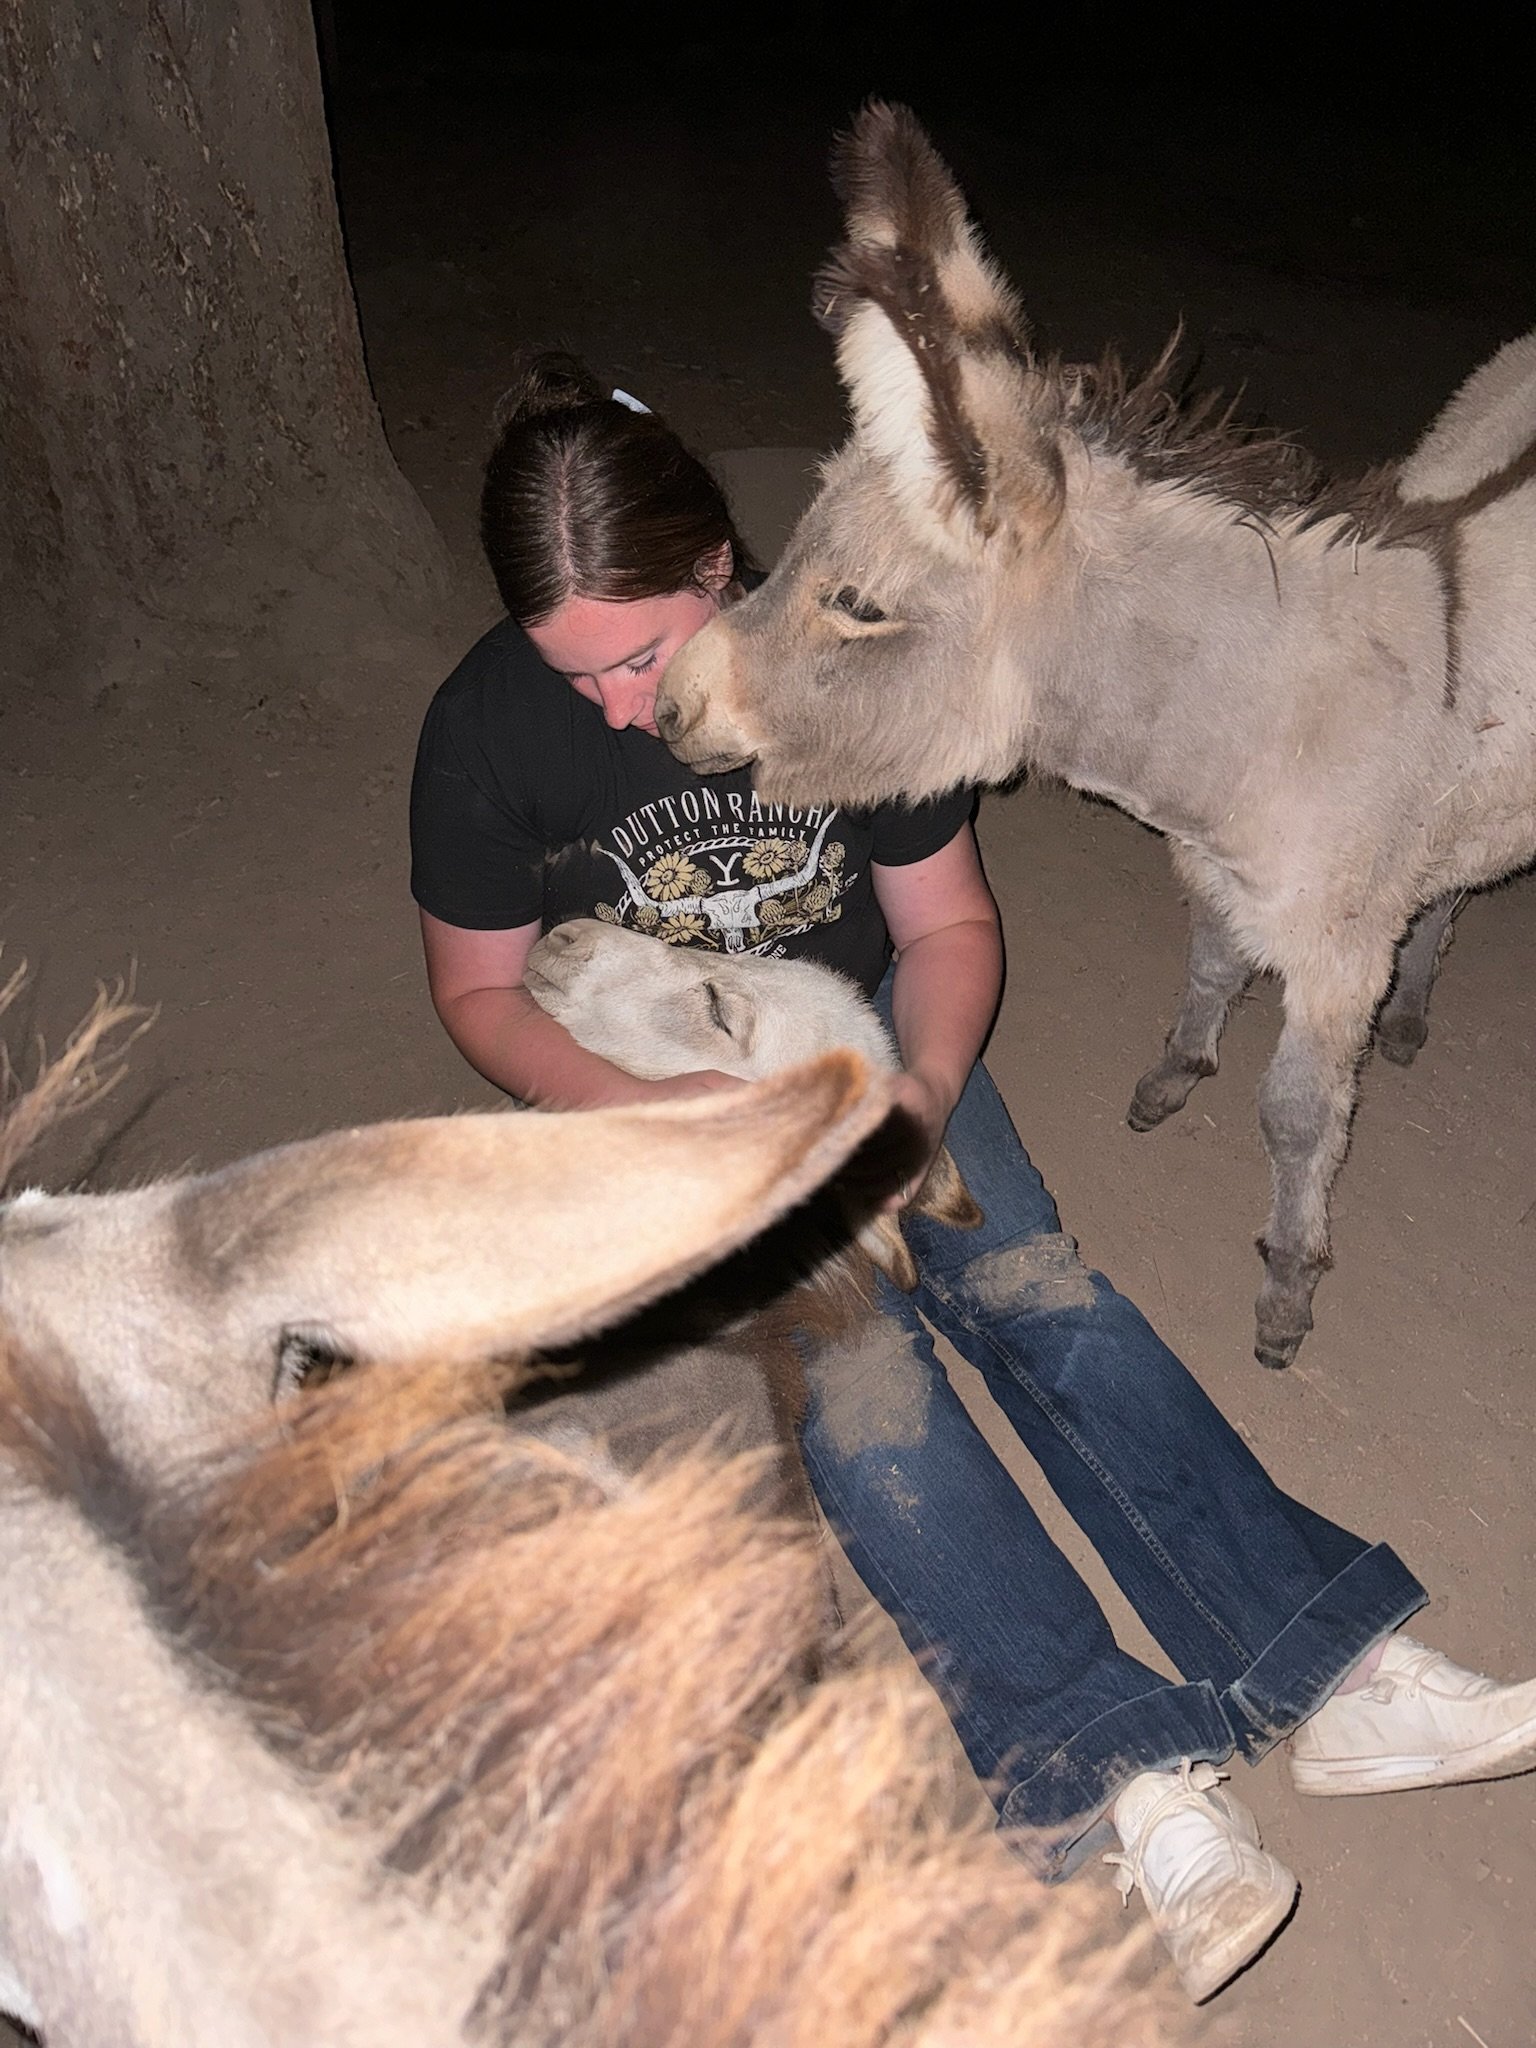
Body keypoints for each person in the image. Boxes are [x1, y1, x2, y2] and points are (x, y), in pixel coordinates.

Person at [409, 353, 1536, 2005]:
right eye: (567, 669)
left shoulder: (850, 662)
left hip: (862, 1029)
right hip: (656, 1079)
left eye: (638, 657)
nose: (608, 704)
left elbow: (944, 928)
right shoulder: (487, 732)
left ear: (720, 575)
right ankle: (1127, 1780)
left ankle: (1338, 1669)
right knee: (860, 1363)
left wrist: (928, 1091)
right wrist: (673, 1121)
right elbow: (479, 994)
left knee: (1034, 1283)